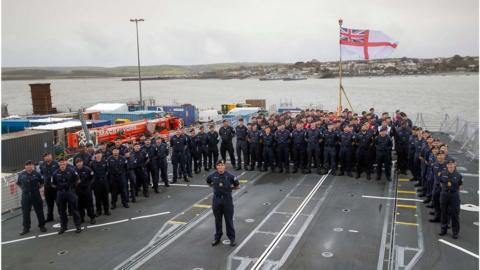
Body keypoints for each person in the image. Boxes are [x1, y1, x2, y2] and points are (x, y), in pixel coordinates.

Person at [206, 160, 239, 247]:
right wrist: (215, 188)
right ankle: (217, 237)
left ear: (225, 166)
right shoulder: (212, 176)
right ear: (216, 166)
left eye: (222, 165)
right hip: (216, 201)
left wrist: (229, 189)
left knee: (229, 220)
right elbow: (208, 182)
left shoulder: (230, 176)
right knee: (218, 220)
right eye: (219, 165)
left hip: (227, 200)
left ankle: (232, 238)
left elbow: (237, 185)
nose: (220, 167)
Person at [52, 157, 82, 234]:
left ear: (66, 163)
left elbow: (78, 180)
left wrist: (72, 187)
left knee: (74, 210)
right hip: (61, 193)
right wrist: (58, 187)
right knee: (62, 211)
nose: (62, 164)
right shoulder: (55, 173)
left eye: (63, 162)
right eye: (60, 163)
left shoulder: (71, 171)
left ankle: (78, 226)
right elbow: (53, 184)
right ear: (58, 164)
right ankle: (64, 227)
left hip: (70, 192)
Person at [17, 160, 47, 235]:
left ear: (32, 166)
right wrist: (24, 189)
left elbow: (42, 183)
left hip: (35, 194)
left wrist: (36, 189)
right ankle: (26, 228)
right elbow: (19, 183)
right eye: (27, 165)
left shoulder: (37, 174)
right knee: (25, 212)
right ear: (25, 166)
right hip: (26, 196)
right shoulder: (21, 174)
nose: (29, 166)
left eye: (30, 165)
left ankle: (42, 226)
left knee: (39, 211)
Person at [439, 159, 462, 239]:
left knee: (455, 214)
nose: (450, 166)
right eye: (449, 164)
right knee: (444, 212)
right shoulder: (443, 173)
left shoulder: (458, 175)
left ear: (454, 165)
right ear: (447, 165)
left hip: (454, 195)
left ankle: (455, 232)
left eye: (452, 164)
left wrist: (453, 192)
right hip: (445, 194)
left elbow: (459, 186)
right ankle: (443, 229)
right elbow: (441, 183)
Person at [74, 158, 96, 224]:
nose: (79, 163)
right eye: (77, 162)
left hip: (87, 190)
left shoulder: (87, 169)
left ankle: (92, 217)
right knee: (80, 205)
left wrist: (90, 185)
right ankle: (81, 218)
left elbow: (93, 178)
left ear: (82, 162)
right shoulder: (73, 170)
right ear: (76, 164)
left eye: (80, 162)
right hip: (78, 190)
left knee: (89, 204)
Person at [39, 152, 59, 222]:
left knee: (58, 202)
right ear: (44, 158)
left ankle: (62, 216)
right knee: (49, 203)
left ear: (51, 156)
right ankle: (50, 217)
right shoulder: (42, 165)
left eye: (48, 156)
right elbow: (41, 174)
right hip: (47, 187)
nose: (47, 157)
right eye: (45, 156)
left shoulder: (56, 163)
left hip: (55, 186)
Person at [90, 150, 110, 216]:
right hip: (96, 182)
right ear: (95, 155)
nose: (98, 155)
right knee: (97, 197)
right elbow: (91, 172)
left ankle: (106, 210)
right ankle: (99, 211)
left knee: (105, 197)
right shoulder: (92, 163)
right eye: (97, 154)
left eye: (99, 154)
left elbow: (107, 170)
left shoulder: (105, 161)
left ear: (101, 154)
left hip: (104, 181)